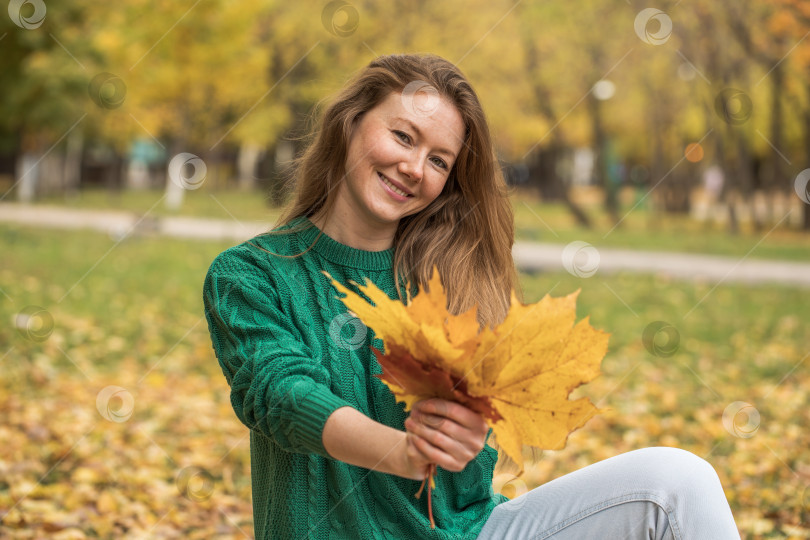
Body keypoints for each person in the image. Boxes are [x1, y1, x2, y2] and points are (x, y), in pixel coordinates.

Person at [203, 53, 740, 539]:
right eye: (404, 136)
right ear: (350, 124)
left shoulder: (448, 281)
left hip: (474, 533)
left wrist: (467, 432)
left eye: (439, 161)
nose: (414, 168)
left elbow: (467, 484)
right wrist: (407, 452)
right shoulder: (251, 275)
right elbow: (280, 394)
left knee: (676, 482)